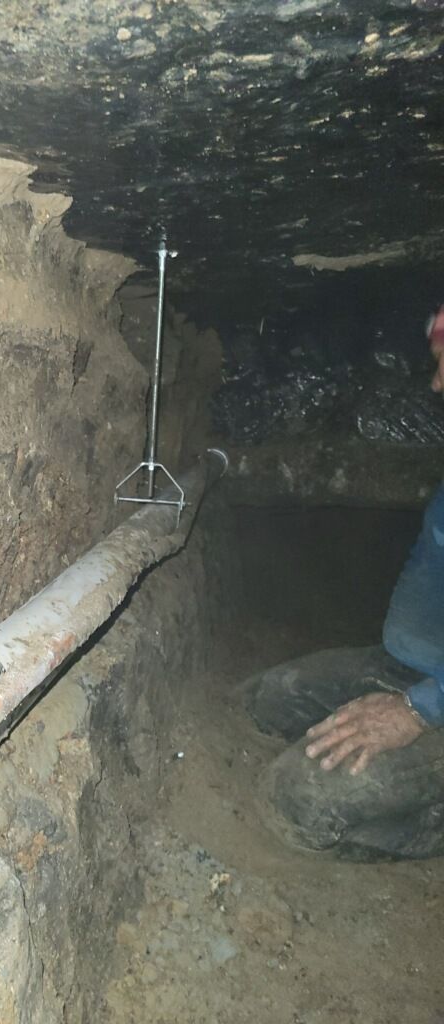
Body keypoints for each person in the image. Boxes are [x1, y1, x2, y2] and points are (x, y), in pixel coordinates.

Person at [245, 307, 444, 861]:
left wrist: (417, 711)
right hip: (417, 672)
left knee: (298, 799)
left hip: (433, 695)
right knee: (268, 702)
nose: (435, 382)